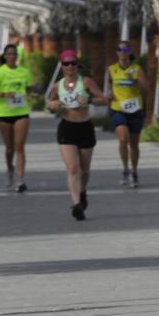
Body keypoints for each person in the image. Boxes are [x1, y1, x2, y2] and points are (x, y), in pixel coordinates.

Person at [47, 49, 107, 221]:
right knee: (73, 168)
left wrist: (88, 100)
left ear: (77, 64)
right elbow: (50, 103)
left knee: (85, 170)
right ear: (62, 66)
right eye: (66, 63)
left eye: (73, 63)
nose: (70, 66)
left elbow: (103, 99)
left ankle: (82, 192)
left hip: (85, 127)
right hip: (67, 128)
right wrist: (53, 105)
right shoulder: (57, 86)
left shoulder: (86, 82)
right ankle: (77, 204)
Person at [0, 44, 33, 193]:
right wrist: (3, 95)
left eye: (14, 54)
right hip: (4, 114)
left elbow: (29, 89)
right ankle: (9, 169)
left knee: (20, 147)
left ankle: (21, 180)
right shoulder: (0, 73)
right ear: (5, 56)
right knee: (9, 148)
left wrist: (31, 95)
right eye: (9, 54)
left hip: (21, 112)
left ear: (17, 57)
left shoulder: (25, 72)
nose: (12, 56)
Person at [105, 41, 149, 187]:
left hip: (136, 109)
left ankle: (134, 171)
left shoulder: (137, 69)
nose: (122, 52)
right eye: (120, 49)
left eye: (125, 49)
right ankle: (125, 169)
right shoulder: (111, 69)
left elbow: (146, 88)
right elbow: (109, 87)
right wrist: (109, 95)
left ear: (130, 52)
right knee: (123, 139)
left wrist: (133, 81)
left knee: (134, 143)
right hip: (118, 108)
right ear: (116, 52)